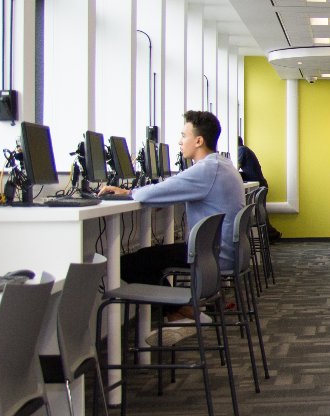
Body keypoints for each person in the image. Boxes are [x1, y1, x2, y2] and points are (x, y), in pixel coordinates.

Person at [100, 110, 244, 323]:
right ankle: (179, 311)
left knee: (129, 263)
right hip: (220, 251)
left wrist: (128, 193)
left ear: (198, 140)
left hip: (210, 256)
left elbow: (156, 191)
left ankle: (179, 310)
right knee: (146, 257)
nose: (179, 141)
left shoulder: (206, 169)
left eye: (184, 135)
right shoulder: (221, 165)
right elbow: (172, 190)